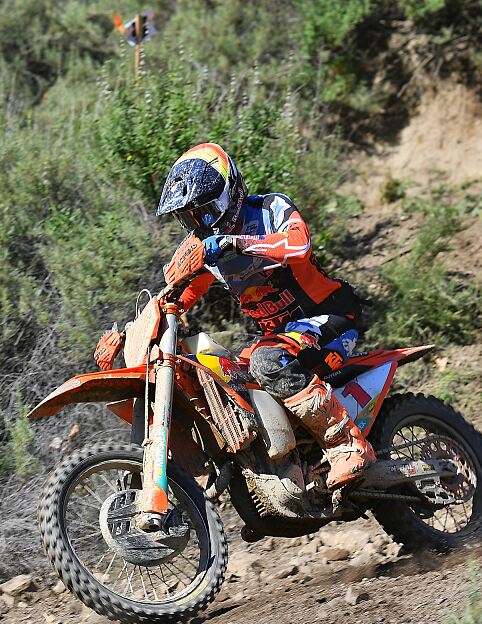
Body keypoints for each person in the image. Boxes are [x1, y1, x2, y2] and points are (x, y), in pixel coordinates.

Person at [155, 142, 375, 489]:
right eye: (189, 218)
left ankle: (348, 445)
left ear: (230, 194)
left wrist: (235, 242)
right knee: (223, 376)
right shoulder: (208, 251)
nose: (200, 224)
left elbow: (298, 245)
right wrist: (138, 328)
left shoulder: (271, 209)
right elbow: (178, 299)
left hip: (331, 317)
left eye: (206, 211)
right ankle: (272, 484)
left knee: (267, 360)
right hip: (283, 338)